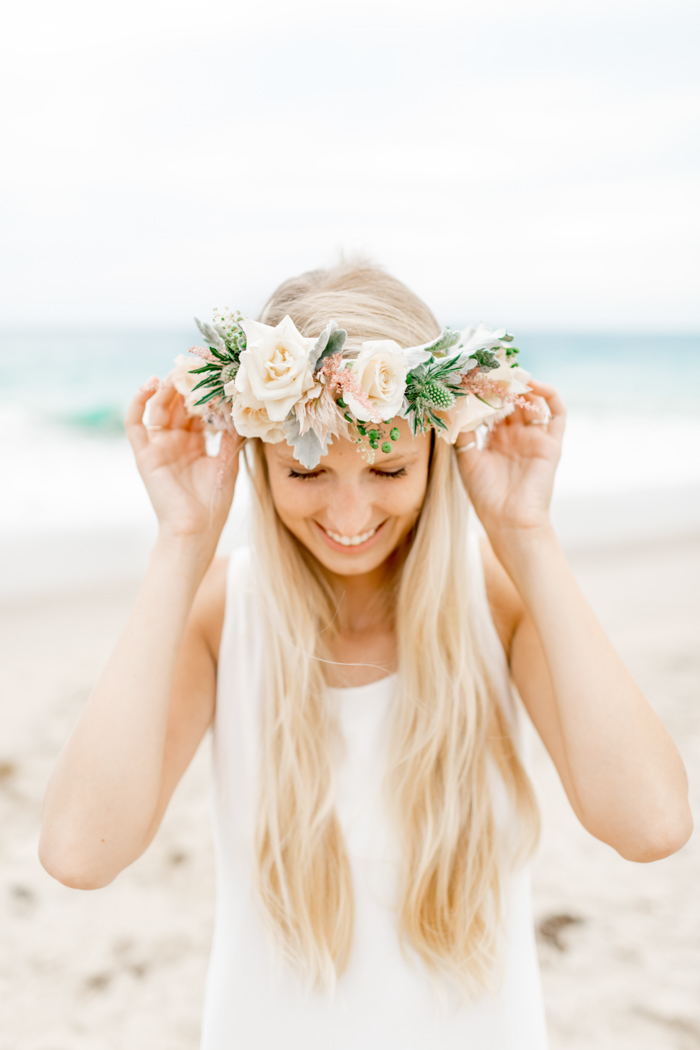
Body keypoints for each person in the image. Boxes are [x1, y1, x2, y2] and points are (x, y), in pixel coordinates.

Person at [39, 263, 692, 1049]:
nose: (350, 515)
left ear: (435, 457)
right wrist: (183, 541)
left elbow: (651, 825)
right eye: (307, 472)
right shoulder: (221, 611)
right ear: (262, 463)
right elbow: (80, 851)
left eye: (388, 469)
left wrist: (528, 535)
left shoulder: (501, 602)